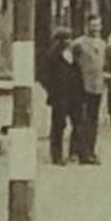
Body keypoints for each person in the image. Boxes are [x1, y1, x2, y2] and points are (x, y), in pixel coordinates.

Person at [39, 27, 81, 165]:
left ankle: (74, 151)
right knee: (59, 124)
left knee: (78, 122)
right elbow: (44, 76)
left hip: (74, 94)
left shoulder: (74, 54)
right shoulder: (52, 56)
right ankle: (56, 155)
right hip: (60, 95)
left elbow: (79, 71)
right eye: (64, 39)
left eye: (69, 38)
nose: (67, 42)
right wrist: (53, 90)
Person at [70, 16, 108, 164]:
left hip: (97, 86)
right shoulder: (79, 44)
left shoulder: (103, 44)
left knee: (93, 120)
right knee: (82, 119)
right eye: (92, 26)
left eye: (97, 26)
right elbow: (72, 63)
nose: (95, 29)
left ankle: (91, 151)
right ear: (87, 26)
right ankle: (80, 152)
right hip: (82, 86)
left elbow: (104, 64)